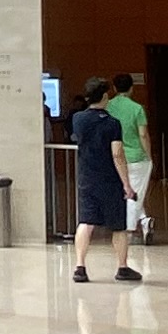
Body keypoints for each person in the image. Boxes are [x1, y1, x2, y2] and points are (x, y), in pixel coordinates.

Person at [69, 82, 140, 282]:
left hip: (86, 178)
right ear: (104, 98)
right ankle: (122, 267)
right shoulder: (112, 123)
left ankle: (80, 267)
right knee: (118, 226)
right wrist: (126, 184)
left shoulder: (78, 119)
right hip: (110, 181)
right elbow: (117, 154)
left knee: (86, 222)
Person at [109, 72, 153, 238]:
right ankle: (129, 228)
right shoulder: (137, 108)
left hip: (114, 156)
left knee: (126, 191)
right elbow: (143, 134)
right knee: (134, 194)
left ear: (114, 88)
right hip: (136, 157)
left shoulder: (108, 107)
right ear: (131, 88)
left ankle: (144, 220)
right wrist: (149, 156)